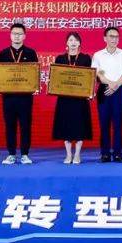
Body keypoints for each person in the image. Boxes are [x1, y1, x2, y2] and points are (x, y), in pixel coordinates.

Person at [0, 22, 39, 165]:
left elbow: (34, 74)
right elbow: (0, 75)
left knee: (25, 125)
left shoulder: (31, 53)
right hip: (8, 97)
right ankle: (11, 154)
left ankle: (25, 154)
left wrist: (34, 85)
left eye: (20, 34)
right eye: (14, 33)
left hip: (25, 97)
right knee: (10, 125)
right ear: (10, 35)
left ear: (24, 36)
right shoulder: (3, 53)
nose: (17, 36)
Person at [92, 26, 122, 163]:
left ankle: (118, 153)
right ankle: (104, 153)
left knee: (118, 123)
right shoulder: (98, 55)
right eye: (111, 36)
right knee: (104, 123)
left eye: (116, 37)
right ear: (105, 38)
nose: (114, 39)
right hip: (104, 90)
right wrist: (110, 84)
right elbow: (98, 74)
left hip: (119, 90)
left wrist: (116, 85)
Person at [52, 32, 94, 165]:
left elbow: (90, 77)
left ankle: (77, 155)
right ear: (67, 43)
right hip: (64, 99)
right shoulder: (60, 59)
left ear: (79, 43)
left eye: (76, 40)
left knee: (80, 126)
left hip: (80, 99)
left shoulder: (85, 58)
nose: (73, 43)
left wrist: (89, 91)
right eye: (71, 40)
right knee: (66, 126)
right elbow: (56, 77)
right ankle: (68, 154)